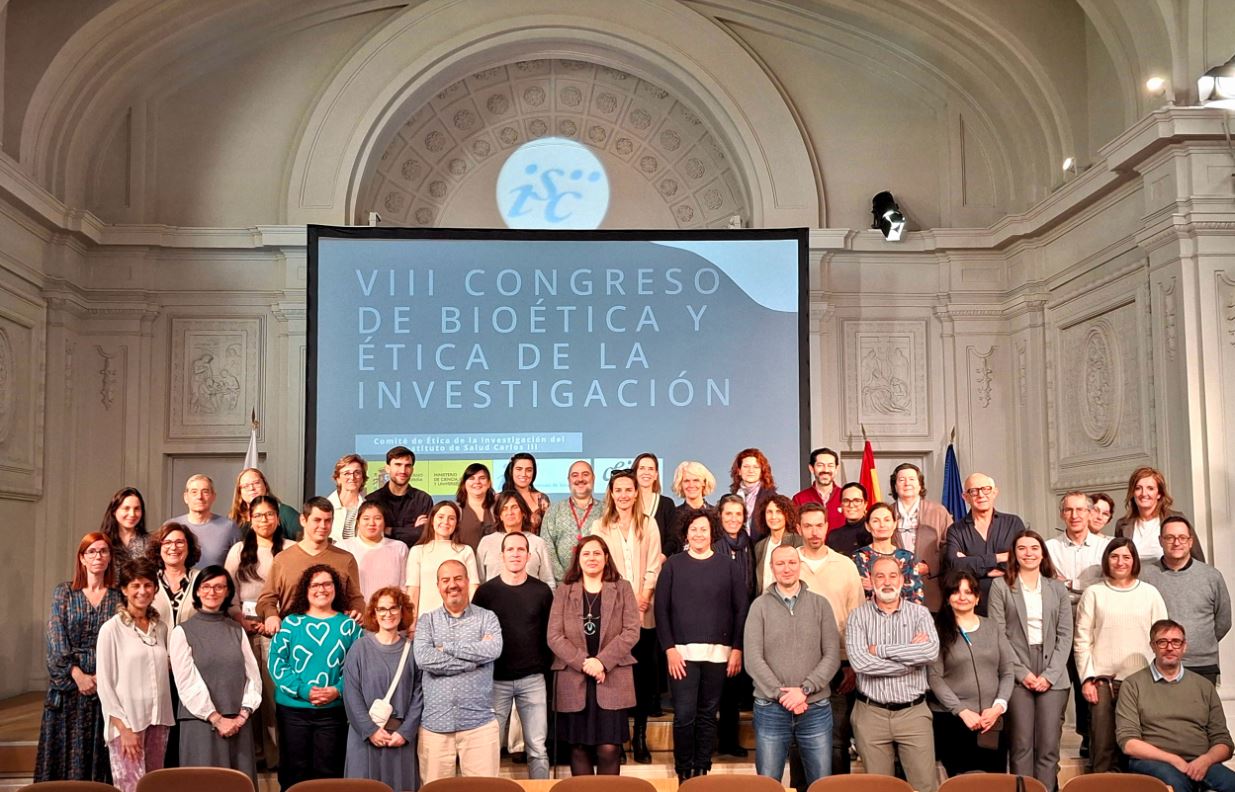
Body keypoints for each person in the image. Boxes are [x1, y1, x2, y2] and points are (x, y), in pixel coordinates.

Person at [655, 508, 749, 781]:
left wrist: (737, 648)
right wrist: (669, 649)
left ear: (712, 533)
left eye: (703, 529)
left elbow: (740, 609)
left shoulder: (727, 565)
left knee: (708, 714)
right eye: (693, 529)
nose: (698, 534)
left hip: (719, 655)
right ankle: (684, 772)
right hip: (681, 654)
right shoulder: (673, 565)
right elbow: (661, 611)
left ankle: (702, 771)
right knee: (684, 715)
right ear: (686, 533)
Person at [745, 544, 841, 790]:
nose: (786, 569)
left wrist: (805, 690)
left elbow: (831, 655)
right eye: (780, 564)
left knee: (820, 785)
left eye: (792, 563)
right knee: (767, 784)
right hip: (770, 710)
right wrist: (782, 694)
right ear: (772, 568)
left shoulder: (821, 605)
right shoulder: (759, 607)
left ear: (800, 566)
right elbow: (753, 659)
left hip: (815, 709)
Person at [35, 532, 125, 783]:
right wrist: (78, 675)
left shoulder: (119, 596)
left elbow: (123, 641)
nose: (98, 556)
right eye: (92, 551)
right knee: (66, 755)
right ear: (82, 558)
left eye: (103, 551)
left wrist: (101, 677)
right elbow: (55, 637)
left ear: (110, 558)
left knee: (100, 754)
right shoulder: (64, 592)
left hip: (105, 685)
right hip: (69, 687)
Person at [1074, 535, 1169, 772]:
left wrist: (1162, 678)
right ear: (1107, 560)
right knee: (1103, 746)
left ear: (1134, 560)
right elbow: (1082, 640)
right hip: (1102, 682)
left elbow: (1163, 639)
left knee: (1140, 744)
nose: (1120, 562)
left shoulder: (1150, 593)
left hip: (1142, 682)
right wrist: (1087, 678)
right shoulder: (1093, 593)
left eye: (1126, 556)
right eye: (1114, 556)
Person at [846, 555, 941, 792]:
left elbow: (930, 653)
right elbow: (861, 664)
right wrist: (911, 659)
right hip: (871, 714)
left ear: (902, 579)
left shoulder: (920, 614)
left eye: (892, 575)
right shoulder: (858, 616)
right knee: (880, 789)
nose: (887, 582)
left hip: (914, 714)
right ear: (870, 579)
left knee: (925, 787)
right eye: (880, 575)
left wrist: (881, 650)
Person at [547, 536, 641, 776]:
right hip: (573, 678)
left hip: (612, 677)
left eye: (597, 553)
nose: (592, 558)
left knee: (609, 749)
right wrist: (585, 663)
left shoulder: (622, 588)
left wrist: (601, 662)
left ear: (606, 558)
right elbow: (554, 636)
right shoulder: (564, 591)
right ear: (578, 560)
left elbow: (631, 631)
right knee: (578, 749)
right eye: (586, 554)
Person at [988, 529, 1073, 791]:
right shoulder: (1000, 586)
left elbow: (1065, 633)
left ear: (1042, 553)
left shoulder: (1056, 587)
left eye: (1034, 548)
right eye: (1022, 548)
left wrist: (1050, 675)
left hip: (1053, 671)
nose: (1029, 553)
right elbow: (998, 634)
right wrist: (1021, 672)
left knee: (1048, 746)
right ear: (1014, 554)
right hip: (1016, 669)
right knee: (1022, 745)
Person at [588, 468, 662, 761]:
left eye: (628, 490)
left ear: (636, 493)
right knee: (616, 680)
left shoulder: (649, 524)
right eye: (617, 490)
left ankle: (641, 738)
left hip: (645, 611)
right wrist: (624, 602)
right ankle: (618, 740)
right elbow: (599, 568)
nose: (623, 495)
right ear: (611, 493)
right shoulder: (600, 526)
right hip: (614, 616)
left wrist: (644, 595)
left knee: (642, 678)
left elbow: (654, 563)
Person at [268, 565, 361, 790]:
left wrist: (338, 690)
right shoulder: (290, 623)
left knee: (329, 773)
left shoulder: (349, 627)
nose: (322, 589)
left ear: (336, 588)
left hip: (334, 712)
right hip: (293, 711)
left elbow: (357, 668)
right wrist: (303, 691)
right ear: (306, 589)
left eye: (327, 584)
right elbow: (277, 663)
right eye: (315, 584)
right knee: (293, 773)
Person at [1116, 619, 1235, 792]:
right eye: (1162, 642)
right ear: (1152, 646)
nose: (1170, 647)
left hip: (1201, 761)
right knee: (1178, 784)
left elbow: (1224, 742)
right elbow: (1128, 743)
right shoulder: (1133, 685)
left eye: (1176, 642)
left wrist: (1206, 760)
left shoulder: (1203, 686)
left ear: (1184, 646)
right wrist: (1174, 760)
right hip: (1154, 762)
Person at [473, 532, 555, 780]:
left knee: (538, 749)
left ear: (529, 556)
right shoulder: (486, 593)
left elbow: (549, 635)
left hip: (533, 680)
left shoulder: (541, 591)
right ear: (502, 555)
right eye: (511, 549)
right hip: (495, 680)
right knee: (489, 749)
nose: (516, 554)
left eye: (521, 550)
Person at [168, 567, 261, 784]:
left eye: (219, 586)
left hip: (238, 724)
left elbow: (253, 677)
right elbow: (186, 682)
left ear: (228, 592)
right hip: (201, 725)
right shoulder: (182, 632)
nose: (212, 592)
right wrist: (216, 719)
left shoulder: (236, 630)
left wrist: (242, 716)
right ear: (198, 591)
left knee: (239, 786)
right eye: (207, 586)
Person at [413, 559, 503, 782]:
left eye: (457, 578)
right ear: (438, 586)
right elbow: (424, 659)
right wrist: (473, 661)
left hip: (478, 725)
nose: (452, 585)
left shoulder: (487, 618)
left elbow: (492, 649)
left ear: (467, 581)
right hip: (435, 727)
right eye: (446, 580)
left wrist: (447, 649)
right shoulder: (427, 621)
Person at [797, 502, 864, 775]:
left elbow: (857, 618)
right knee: (799, 740)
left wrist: (852, 665)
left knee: (836, 742)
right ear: (799, 529)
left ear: (827, 527)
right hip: (797, 666)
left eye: (819, 525)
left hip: (838, 665)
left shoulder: (845, 565)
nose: (814, 532)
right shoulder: (789, 563)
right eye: (808, 526)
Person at [96, 558, 174, 792]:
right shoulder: (111, 629)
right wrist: (123, 729)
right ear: (124, 589)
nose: (142, 591)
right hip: (128, 723)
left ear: (155, 588)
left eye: (148, 585)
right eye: (136, 585)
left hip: (158, 720)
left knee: (154, 786)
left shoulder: (160, 627)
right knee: (131, 788)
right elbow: (105, 685)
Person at [928, 569, 1014, 776]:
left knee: (995, 784)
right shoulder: (937, 630)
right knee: (963, 784)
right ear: (948, 598)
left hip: (991, 721)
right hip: (954, 720)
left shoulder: (992, 627)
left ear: (977, 598)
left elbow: (1007, 671)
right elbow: (934, 677)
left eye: (968, 592)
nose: (962, 597)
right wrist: (961, 711)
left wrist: (998, 707)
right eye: (956, 592)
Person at [222, 494, 285, 769]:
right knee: (247, 696)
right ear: (250, 518)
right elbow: (228, 589)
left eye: (269, 514)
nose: (264, 520)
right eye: (258, 515)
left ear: (278, 517)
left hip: (279, 631)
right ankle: (253, 759)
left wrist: (276, 618)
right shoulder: (238, 551)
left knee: (274, 698)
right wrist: (239, 618)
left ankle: (276, 760)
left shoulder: (290, 549)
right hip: (244, 630)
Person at [1045, 490, 1106, 758]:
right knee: (1060, 681)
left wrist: (1070, 584)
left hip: (1095, 624)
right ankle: (1051, 740)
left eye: (1081, 510)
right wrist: (1080, 587)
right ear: (1062, 514)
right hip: (1059, 622)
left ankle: (1089, 737)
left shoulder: (1106, 547)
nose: (1075, 515)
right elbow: (1048, 585)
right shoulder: (1049, 548)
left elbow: (1105, 584)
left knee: (1088, 680)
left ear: (1090, 513)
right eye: (1069, 510)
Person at [342, 587, 423, 792]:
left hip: (399, 739)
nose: (388, 614)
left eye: (394, 608)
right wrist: (369, 730)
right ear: (374, 614)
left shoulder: (413, 651)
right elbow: (351, 695)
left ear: (402, 610)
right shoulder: (359, 648)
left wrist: (405, 732)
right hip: (365, 737)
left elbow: (419, 696)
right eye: (382, 609)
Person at [1140, 515, 1231, 686]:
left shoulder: (1211, 576)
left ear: (1190, 542)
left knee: (1201, 713)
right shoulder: (1146, 576)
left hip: (1203, 664)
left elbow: (1224, 621)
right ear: (1160, 541)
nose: (1176, 542)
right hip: (1159, 664)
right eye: (1169, 537)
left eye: (1182, 537)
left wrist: (1201, 642)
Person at [256, 498, 365, 634]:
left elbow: (356, 598)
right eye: (317, 520)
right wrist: (271, 615)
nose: (323, 526)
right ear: (303, 520)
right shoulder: (283, 559)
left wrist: (358, 611)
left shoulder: (346, 559)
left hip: (336, 637)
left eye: (328, 520)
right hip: (293, 637)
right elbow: (266, 599)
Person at [714, 493, 759, 757]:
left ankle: (730, 741)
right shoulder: (714, 544)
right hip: (718, 622)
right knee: (713, 688)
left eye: (738, 514)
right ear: (720, 516)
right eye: (728, 513)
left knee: (733, 685)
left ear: (744, 518)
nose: (733, 519)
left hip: (744, 620)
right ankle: (712, 741)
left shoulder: (749, 544)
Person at [944, 472, 1026, 615]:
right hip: (973, 609)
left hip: (1012, 605)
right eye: (973, 491)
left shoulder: (1013, 523)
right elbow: (955, 566)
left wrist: (972, 565)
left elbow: (1023, 560)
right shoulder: (956, 530)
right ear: (965, 497)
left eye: (986, 489)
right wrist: (999, 558)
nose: (981, 495)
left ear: (994, 492)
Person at [888, 463, 949, 610]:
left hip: (931, 589)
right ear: (895, 486)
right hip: (894, 591)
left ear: (920, 485)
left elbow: (951, 546)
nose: (907, 483)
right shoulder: (886, 513)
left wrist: (931, 566)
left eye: (912, 479)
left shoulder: (938, 512)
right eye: (901, 479)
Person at [405, 501, 480, 620]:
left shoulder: (465, 551)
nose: (445, 522)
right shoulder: (418, 551)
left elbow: (473, 588)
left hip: (460, 622)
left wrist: (469, 619)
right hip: (426, 622)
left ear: (457, 523)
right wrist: (411, 622)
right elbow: (413, 590)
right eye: (440, 517)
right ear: (432, 520)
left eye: (451, 518)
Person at [1115, 466, 1204, 562]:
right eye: (1138, 488)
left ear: (1159, 494)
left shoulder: (1177, 519)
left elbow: (1198, 559)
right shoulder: (1122, 524)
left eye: (1150, 488)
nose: (1144, 493)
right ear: (1132, 493)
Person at [475, 491, 555, 586]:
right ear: (500, 515)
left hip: (530, 599)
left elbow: (549, 581)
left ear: (523, 512)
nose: (510, 512)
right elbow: (479, 582)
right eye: (504, 508)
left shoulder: (538, 543)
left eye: (514, 507)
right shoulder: (486, 542)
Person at [854, 502, 924, 605]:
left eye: (887, 520)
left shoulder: (908, 558)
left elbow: (916, 595)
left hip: (905, 618)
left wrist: (875, 586)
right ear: (868, 526)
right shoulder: (859, 557)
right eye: (875, 521)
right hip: (870, 617)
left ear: (895, 524)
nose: (882, 525)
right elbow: (860, 594)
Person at [338, 501, 410, 601]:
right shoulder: (344, 547)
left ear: (385, 522)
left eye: (377, 518)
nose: (371, 523)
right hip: (355, 612)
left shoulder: (399, 548)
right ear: (358, 522)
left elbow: (404, 586)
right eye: (366, 518)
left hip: (389, 612)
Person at [542, 460, 599, 582]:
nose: (580, 479)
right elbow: (547, 547)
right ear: (568, 480)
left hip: (599, 584)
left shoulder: (606, 510)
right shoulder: (554, 511)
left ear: (593, 478)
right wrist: (565, 580)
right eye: (575, 475)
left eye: (585, 474)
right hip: (562, 586)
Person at [364, 447, 433, 547]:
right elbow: (372, 534)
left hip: (414, 559)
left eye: (408, 466)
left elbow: (424, 534)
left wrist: (389, 530)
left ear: (412, 470)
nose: (403, 470)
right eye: (398, 465)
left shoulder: (423, 499)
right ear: (387, 468)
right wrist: (412, 531)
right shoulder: (372, 500)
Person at [169, 474, 241, 569]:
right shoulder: (172, 526)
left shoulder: (229, 527)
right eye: (194, 492)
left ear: (213, 496)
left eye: (205, 492)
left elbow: (241, 565)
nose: (199, 496)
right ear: (186, 497)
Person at [148, 522, 201, 630]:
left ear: (189, 547)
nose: (173, 547)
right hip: (155, 645)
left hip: (192, 645)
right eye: (167, 542)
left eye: (180, 542)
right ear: (159, 547)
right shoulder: (148, 581)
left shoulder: (202, 580)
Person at [229, 468, 302, 540]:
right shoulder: (233, 517)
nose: (251, 488)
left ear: (265, 485)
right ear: (239, 492)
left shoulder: (285, 513)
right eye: (246, 486)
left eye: (256, 483)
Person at [753, 493, 803, 593]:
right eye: (769, 512)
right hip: (764, 604)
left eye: (779, 512)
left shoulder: (798, 542)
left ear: (787, 515)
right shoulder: (759, 546)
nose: (773, 516)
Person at [667, 459, 717, 556]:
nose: (691, 485)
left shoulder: (716, 514)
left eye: (696, 480)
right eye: (686, 481)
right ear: (680, 484)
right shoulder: (673, 515)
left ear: (704, 483)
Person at [792, 447, 845, 529]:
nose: (826, 470)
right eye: (820, 465)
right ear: (811, 468)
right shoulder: (799, 499)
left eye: (830, 466)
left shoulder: (845, 497)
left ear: (836, 469)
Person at [99, 487, 150, 572]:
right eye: (126, 508)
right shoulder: (102, 542)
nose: (132, 514)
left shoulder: (150, 542)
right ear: (114, 511)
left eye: (137, 509)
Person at [633, 452, 676, 553]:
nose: (646, 472)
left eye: (651, 469)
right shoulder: (626, 502)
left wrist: (662, 557)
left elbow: (673, 538)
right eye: (642, 468)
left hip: (660, 564)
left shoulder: (666, 504)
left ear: (656, 475)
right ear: (635, 473)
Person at [729, 448, 777, 538]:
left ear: (762, 471)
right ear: (739, 471)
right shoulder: (733, 498)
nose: (751, 470)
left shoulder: (771, 498)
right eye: (746, 466)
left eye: (756, 467)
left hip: (760, 549)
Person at [502, 452, 551, 533]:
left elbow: (549, 531)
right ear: (511, 471)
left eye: (529, 470)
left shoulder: (542, 499)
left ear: (534, 473)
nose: (524, 474)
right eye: (519, 469)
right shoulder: (500, 498)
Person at [455, 462, 497, 551]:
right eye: (471, 478)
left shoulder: (499, 508)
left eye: (482, 478)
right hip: (465, 563)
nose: (477, 482)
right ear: (464, 484)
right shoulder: (455, 510)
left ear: (489, 483)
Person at [327, 453, 369, 542]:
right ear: (337, 478)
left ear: (362, 478)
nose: (352, 477)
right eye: (346, 473)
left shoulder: (368, 508)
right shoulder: (325, 506)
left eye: (357, 473)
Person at [826, 482, 874, 558]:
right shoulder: (833, 536)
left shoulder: (874, 532)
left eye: (857, 501)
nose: (851, 505)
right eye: (846, 501)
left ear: (865, 504)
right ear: (841, 504)